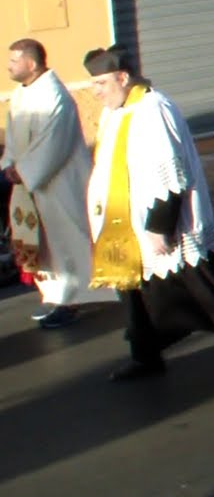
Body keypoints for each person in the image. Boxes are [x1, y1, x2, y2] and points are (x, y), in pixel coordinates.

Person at [82, 46, 214, 381]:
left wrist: (159, 226)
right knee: (134, 290)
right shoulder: (114, 112)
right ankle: (145, 356)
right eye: (93, 85)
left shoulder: (153, 109)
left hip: (161, 220)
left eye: (101, 83)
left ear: (123, 77)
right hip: (123, 222)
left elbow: (171, 172)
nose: (96, 92)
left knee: (197, 281)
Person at [2, 39, 117, 328]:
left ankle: (72, 298)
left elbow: (52, 144)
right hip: (31, 185)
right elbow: (14, 140)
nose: (9, 66)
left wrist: (24, 171)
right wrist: (10, 166)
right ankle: (56, 296)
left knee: (67, 240)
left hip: (59, 184)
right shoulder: (20, 95)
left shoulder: (55, 96)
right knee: (45, 244)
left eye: (14, 61)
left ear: (31, 63)